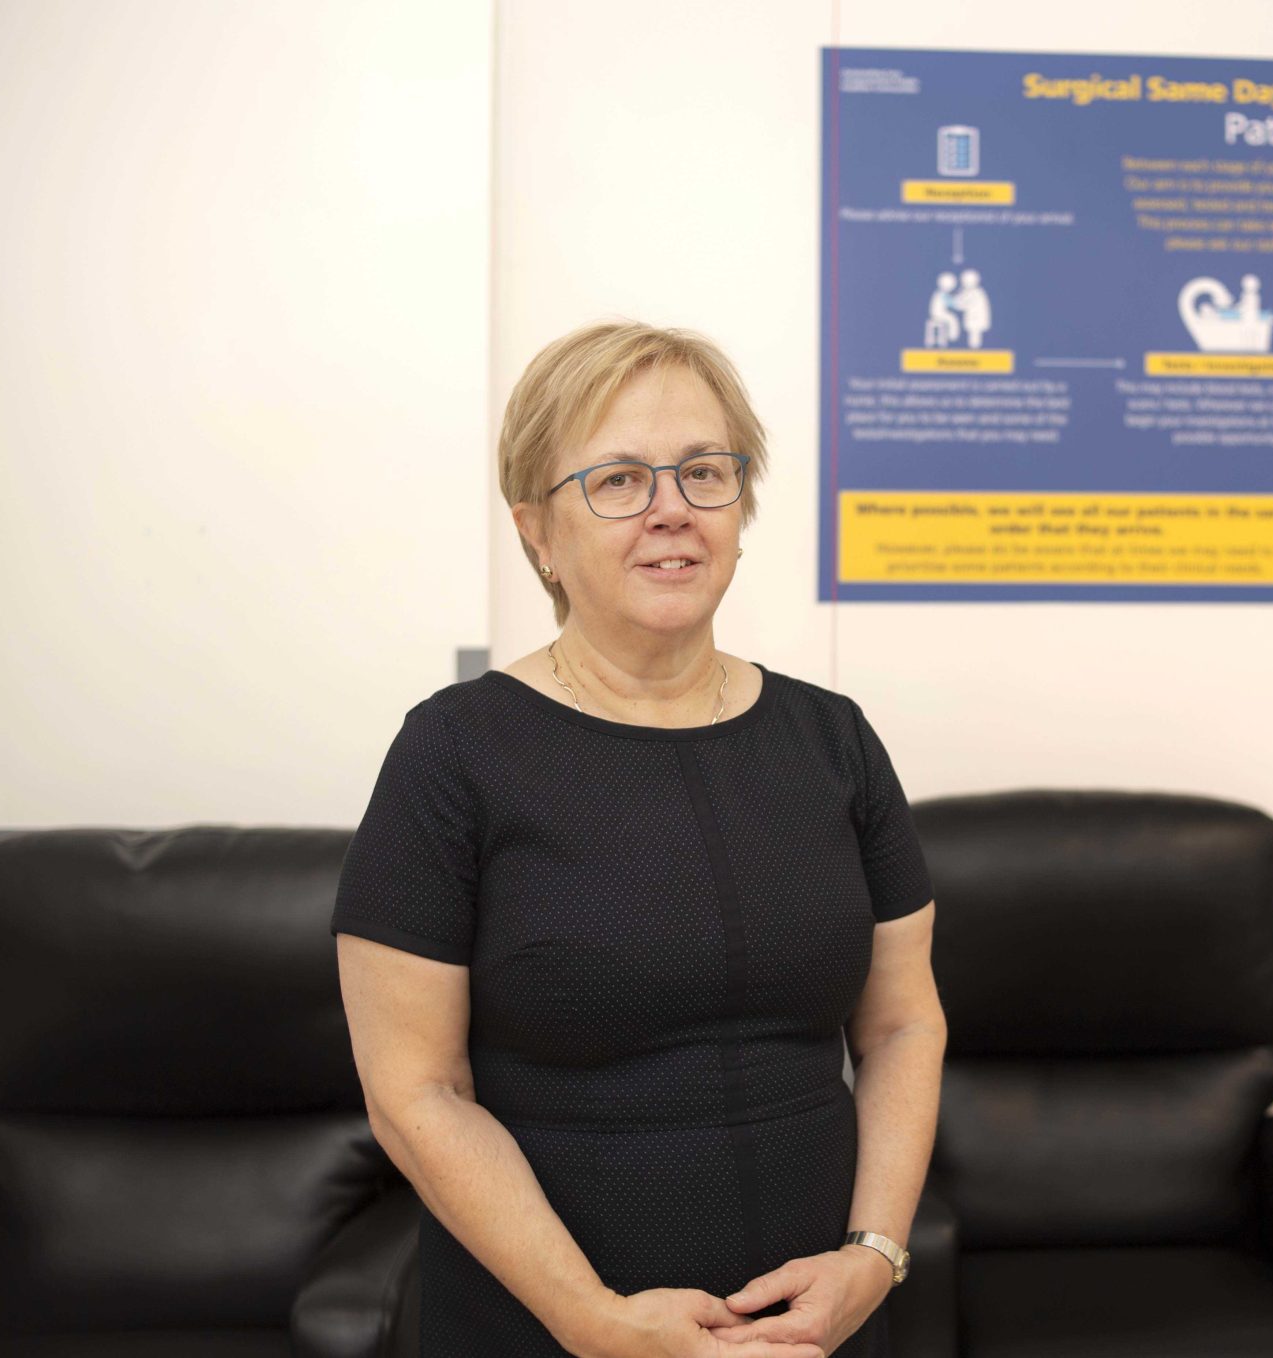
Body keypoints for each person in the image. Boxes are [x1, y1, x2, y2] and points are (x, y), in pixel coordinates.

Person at [331, 320, 946, 1358]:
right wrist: (589, 1315)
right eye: (618, 480)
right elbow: (414, 1090)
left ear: (742, 508)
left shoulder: (833, 739)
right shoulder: (454, 752)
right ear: (538, 532)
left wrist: (872, 1257)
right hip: (548, 1327)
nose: (672, 510)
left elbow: (900, 1027)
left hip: (821, 1330)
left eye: (706, 471)